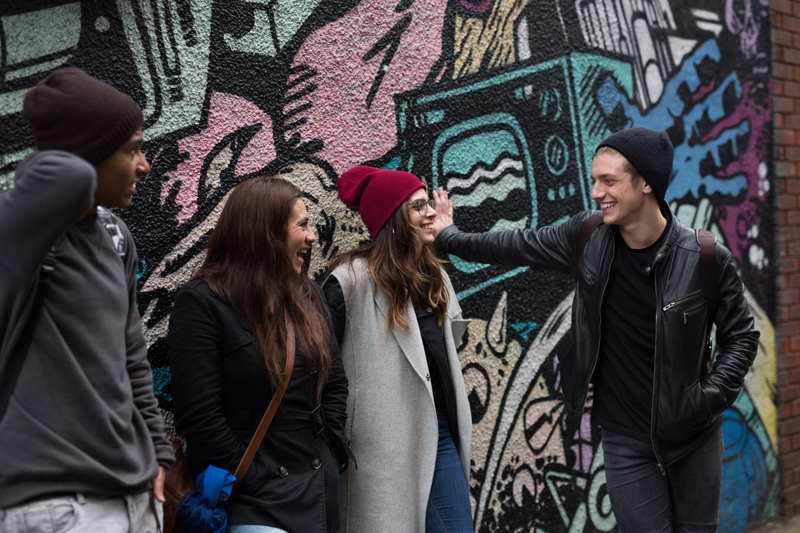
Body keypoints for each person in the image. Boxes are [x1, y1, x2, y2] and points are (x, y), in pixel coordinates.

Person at [432, 127, 759, 532]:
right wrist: (448, 236)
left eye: (609, 181)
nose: (596, 192)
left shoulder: (706, 257)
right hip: (626, 439)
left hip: (694, 435)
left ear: (645, 184)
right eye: (594, 180)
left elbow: (741, 337)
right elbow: (516, 244)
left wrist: (708, 399)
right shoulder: (587, 237)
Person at [0, 68, 174, 531]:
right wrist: (78, 154)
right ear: (89, 157)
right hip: (58, 502)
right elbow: (66, 176)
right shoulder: (19, 238)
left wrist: (157, 451)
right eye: (132, 149)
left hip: (134, 493)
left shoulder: (116, 235)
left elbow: (130, 352)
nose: (145, 165)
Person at [167, 176, 351, 533]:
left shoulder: (308, 294)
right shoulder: (203, 303)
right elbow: (199, 416)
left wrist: (331, 452)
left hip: (316, 491)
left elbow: (335, 384)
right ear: (265, 233)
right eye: (302, 224)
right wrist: (251, 477)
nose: (312, 236)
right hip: (253, 504)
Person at [323, 166, 473, 533]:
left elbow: (451, 342)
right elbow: (322, 365)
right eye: (418, 206)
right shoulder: (349, 281)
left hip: (440, 432)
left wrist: (443, 241)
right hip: (380, 443)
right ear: (392, 217)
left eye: (428, 204)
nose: (430, 213)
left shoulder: (433, 275)